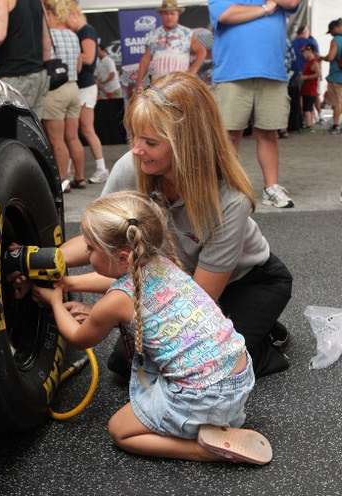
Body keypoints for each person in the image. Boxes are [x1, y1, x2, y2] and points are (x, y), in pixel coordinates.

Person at [59, 72, 293, 381]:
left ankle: (261, 338)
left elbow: (191, 300)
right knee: (123, 365)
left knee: (211, 365)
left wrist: (116, 315)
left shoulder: (229, 201)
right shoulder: (133, 167)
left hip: (247, 281)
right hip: (173, 276)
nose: (136, 149)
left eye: (150, 141)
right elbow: (95, 241)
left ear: (188, 145)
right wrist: (48, 264)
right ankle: (239, 323)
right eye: (134, 136)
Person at [32, 190, 273, 465]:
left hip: (205, 395)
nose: (86, 253)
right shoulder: (161, 263)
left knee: (120, 431)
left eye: (90, 249)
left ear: (123, 257)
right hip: (237, 375)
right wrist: (69, 283)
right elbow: (122, 285)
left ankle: (203, 449)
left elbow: (78, 338)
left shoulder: (115, 303)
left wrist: (54, 302)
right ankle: (214, 420)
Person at [208, 0, 299, 209]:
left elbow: (292, 1)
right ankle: (224, 189)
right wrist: (267, 8)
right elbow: (226, 15)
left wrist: (253, 10)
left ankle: (271, 187)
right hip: (232, 72)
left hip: (272, 70)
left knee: (269, 133)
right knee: (228, 136)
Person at [0, 0, 51, 120]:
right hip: (39, 74)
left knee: (12, 132)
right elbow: (46, 40)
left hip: (16, 77)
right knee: (31, 133)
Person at [41, 0, 84, 193]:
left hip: (55, 90)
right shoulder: (73, 35)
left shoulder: (48, 35)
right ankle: (80, 177)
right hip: (74, 87)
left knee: (56, 139)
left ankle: (63, 180)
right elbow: (78, 66)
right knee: (73, 137)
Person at [66, 3, 110, 185]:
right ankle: (69, 171)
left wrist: (67, 53)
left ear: (74, 15)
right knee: (72, 132)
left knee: (86, 129)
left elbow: (89, 57)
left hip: (85, 86)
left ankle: (101, 169)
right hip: (79, 86)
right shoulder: (79, 32)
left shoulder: (86, 30)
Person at [135, 0, 206, 91]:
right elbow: (145, 60)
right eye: (166, 13)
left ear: (178, 14)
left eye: (172, 13)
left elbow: (202, 51)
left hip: (180, 86)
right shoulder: (153, 35)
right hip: (158, 85)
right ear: (161, 14)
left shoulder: (187, 33)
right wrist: (138, 86)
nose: (169, 17)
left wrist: (191, 73)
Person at [319, 18, 342, 135]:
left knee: (337, 102)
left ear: (335, 28)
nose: (331, 34)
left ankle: (336, 125)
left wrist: (321, 58)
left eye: (331, 31)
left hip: (336, 76)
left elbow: (330, 57)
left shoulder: (336, 40)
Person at [298, 43, 321, 134]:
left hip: (310, 88)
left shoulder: (314, 62)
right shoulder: (309, 62)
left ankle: (309, 126)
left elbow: (318, 74)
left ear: (310, 51)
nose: (303, 54)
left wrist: (306, 77)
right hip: (307, 88)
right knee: (309, 107)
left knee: (307, 108)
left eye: (305, 52)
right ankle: (310, 124)